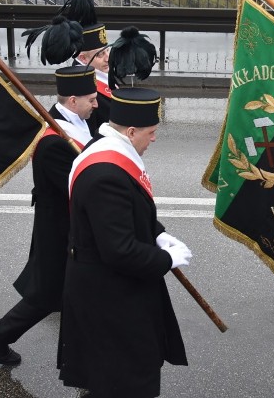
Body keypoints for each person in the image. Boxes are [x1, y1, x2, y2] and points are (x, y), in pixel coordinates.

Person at [58, 87, 190, 397]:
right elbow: (119, 250)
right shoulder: (107, 174)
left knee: (111, 378)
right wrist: (166, 260)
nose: (154, 138)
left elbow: (126, 212)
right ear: (131, 131)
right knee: (126, 379)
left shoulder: (104, 146)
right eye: (151, 132)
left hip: (107, 288)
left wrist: (156, 232)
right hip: (109, 295)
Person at [0, 65, 98, 366]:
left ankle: (0, 335)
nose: (96, 105)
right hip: (61, 229)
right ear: (72, 100)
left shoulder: (74, 122)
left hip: (74, 226)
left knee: (69, 295)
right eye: (91, 99)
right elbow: (77, 188)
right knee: (50, 295)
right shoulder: (54, 142)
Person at [73, 22, 114, 135]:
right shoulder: (81, 87)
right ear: (83, 58)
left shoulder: (96, 71)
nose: (107, 58)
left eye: (107, 50)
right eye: (100, 54)